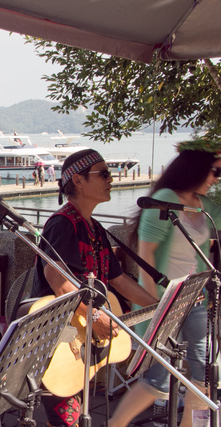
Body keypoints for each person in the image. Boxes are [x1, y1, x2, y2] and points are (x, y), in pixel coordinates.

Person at [31, 149, 157, 427]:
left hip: (80, 339)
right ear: (78, 180)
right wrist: (95, 316)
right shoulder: (62, 225)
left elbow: (119, 281)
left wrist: (158, 308)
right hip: (56, 339)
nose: (112, 179)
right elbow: (58, 280)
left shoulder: (96, 229)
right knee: (68, 420)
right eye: (104, 174)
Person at [109, 139, 221, 427]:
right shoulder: (164, 200)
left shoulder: (204, 204)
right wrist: (156, 307)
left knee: (204, 373)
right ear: (196, 169)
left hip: (195, 300)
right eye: (213, 172)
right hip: (162, 301)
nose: (215, 179)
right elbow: (146, 258)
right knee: (157, 378)